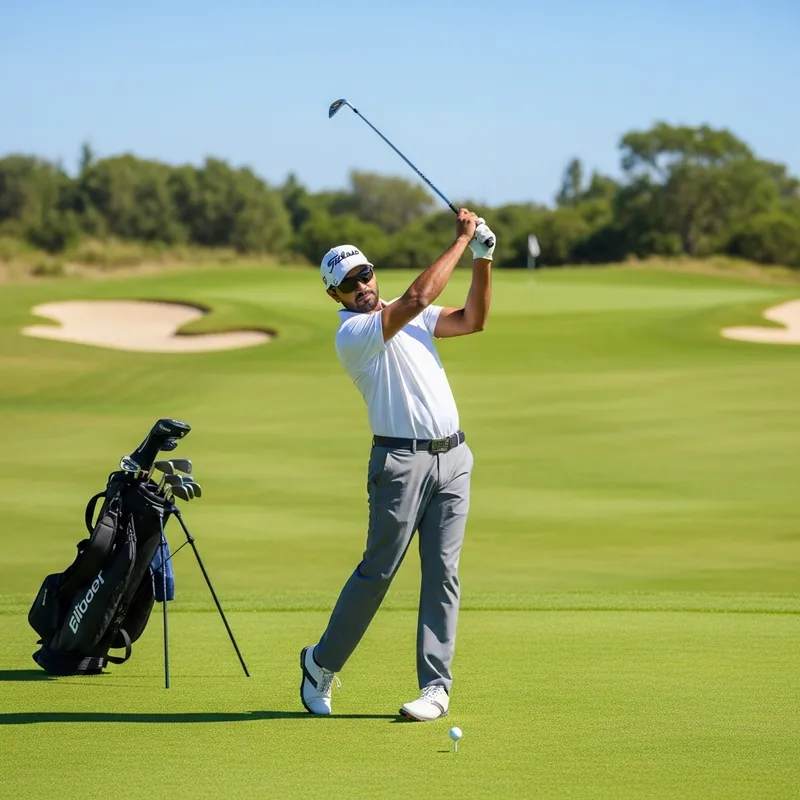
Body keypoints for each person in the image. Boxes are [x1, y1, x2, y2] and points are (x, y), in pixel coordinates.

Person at [300, 208, 496, 721]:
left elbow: (472, 321)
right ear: (334, 296)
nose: (361, 286)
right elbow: (418, 297)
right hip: (399, 463)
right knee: (379, 572)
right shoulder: (355, 334)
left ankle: (435, 688)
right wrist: (461, 240)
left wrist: (483, 259)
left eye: (364, 274)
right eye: (348, 283)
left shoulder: (414, 319)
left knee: (443, 575)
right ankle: (320, 665)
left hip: (454, 458)